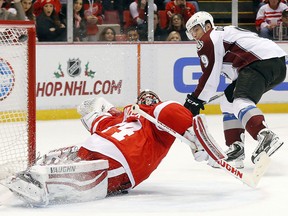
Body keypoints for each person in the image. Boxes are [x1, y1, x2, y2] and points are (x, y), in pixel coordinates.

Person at [2, 90, 215, 206]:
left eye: (151, 99)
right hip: (97, 146)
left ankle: (45, 182)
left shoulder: (160, 125)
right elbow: (96, 121)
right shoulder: (123, 118)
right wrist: (94, 109)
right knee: (66, 154)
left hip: (122, 160)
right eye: (143, 99)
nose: (147, 101)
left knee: (92, 174)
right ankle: (33, 174)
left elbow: (170, 112)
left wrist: (195, 138)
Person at [184, 11, 286, 168]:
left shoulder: (209, 38)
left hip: (259, 62)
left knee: (241, 100)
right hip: (275, 64)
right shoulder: (223, 34)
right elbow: (233, 70)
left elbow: (210, 76)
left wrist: (196, 99)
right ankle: (235, 149)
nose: (195, 35)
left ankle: (265, 136)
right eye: (191, 33)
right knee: (228, 101)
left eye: (196, 29)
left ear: (207, 25)